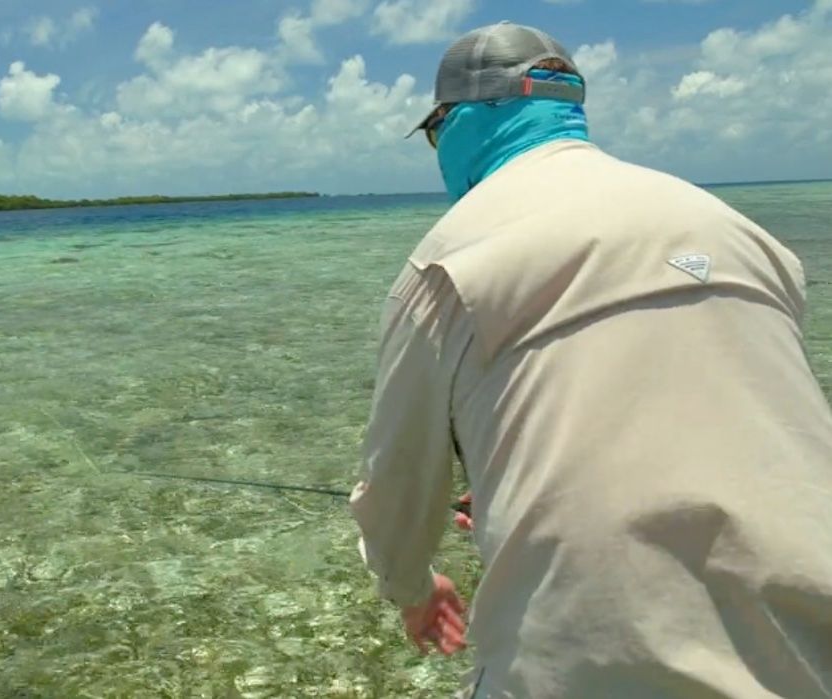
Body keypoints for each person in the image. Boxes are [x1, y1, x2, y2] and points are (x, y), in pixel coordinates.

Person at [348, 20, 832, 699]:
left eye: (435, 132)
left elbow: (395, 497)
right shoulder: (746, 236)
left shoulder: (446, 263)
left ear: (460, 122)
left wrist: (412, 587)